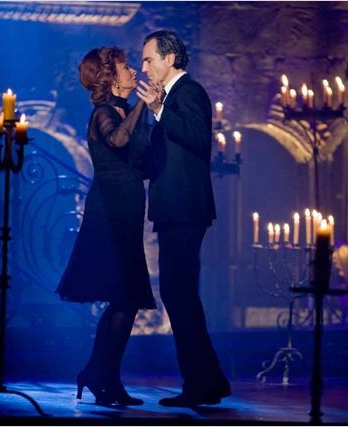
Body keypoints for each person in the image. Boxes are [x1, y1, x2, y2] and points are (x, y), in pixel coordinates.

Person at [56, 46, 156, 406]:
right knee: (125, 296)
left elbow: (142, 161)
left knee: (126, 299)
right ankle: (102, 376)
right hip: (109, 213)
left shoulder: (126, 112)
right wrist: (144, 105)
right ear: (110, 78)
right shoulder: (103, 113)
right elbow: (117, 139)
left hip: (128, 209)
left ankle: (99, 373)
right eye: (125, 67)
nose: (133, 71)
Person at [136, 30, 231, 407]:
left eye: (148, 59)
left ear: (170, 59)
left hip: (185, 208)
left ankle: (202, 383)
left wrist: (160, 110)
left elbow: (197, 137)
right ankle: (209, 380)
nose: (144, 67)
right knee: (179, 293)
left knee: (179, 293)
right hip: (174, 208)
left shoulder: (189, 92)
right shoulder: (170, 98)